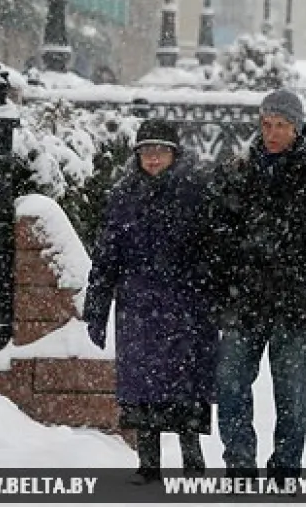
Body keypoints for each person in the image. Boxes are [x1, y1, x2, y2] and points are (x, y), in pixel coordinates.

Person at [207, 89, 306, 480]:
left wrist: (305, 279)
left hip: (294, 302)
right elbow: (217, 228)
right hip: (244, 299)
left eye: (281, 126)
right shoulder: (238, 170)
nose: (272, 133)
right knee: (231, 383)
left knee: (291, 393)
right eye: (267, 124)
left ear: (297, 127)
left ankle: (285, 468)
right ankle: (239, 465)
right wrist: (233, 270)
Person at [83, 119, 218, 484]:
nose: (153, 159)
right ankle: (149, 463)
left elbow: (214, 249)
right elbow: (106, 255)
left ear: (175, 154)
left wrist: (212, 296)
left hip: (185, 307)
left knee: (186, 388)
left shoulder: (196, 192)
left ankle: (193, 461)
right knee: (142, 388)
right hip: (138, 308)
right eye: (146, 152)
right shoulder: (123, 195)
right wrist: (95, 309)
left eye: (160, 151)